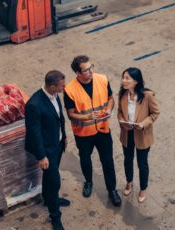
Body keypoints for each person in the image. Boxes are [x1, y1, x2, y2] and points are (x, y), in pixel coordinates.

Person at [64, 55, 121, 207]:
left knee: (107, 160)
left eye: (91, 67)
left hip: (103, 129)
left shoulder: (102, 79)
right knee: (85, 159)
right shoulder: (69, 90)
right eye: (86, 70)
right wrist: (87, 116)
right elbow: (70, 114)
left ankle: (112, 190)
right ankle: (88, 182)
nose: (91, 71)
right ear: (78, 73)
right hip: (83, 134)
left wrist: (109, 109)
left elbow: (111, 98)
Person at [25, 70, 70, 230]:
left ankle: (48, 198)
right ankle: (55, 216)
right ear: (52, 86)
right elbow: (34, 133)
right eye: (62, 86)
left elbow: (60, 118)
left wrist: (63, 136)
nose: (64, 88)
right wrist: (41, 156)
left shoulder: (55, 95)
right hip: (46, 150)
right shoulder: (34, 105)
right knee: (55, 182)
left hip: (56, 144)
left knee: (50, 179)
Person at [117, 67, 160, 203]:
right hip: (127, 133)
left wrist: (143, 124)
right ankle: (129, 182)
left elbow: (155, 113)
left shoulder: (147, 96)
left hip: (142, 134)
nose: (124, 80)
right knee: (127, 160)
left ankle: (143, 188)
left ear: (136, 81)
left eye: (127, 78)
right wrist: (122, 122)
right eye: (123, 77)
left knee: (142, 163)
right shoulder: (122, 95)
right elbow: (119, 111)